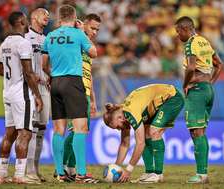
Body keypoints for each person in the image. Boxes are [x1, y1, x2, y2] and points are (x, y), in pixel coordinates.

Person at [42, 5, 98, 183]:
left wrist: (52, 76)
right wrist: (81, 30)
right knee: (81, 128)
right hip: (73, 82)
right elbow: (93, 53)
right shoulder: (78, 33)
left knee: (58, 130)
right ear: (74, 17)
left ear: (59, 18)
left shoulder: (50, 36)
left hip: (56, 82)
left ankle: (60, 173)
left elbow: (44, 64)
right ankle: (81, 173)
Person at [0, 11, 43, 184]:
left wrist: (13, 71)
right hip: (20, 93)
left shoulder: (5, 43)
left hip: (6, 91)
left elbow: (0, 70)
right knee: (25, 134)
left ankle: (1, 174)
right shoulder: (23, 43)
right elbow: (29, 73)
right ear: (22, 21)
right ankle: (19, 175)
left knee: (9, 134)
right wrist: (37, 96)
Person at [175, 16, 223, 184]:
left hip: (197, 90)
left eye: (178, 32)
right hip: (208, 90)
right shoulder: (204, 41)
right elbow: (220, 64)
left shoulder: (190, 44)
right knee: (200, 131)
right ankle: (203, 173)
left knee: (197, 132)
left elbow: (190, 67)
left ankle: (201, 175)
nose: (177, 36)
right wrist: (210, 83)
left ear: (185, 29)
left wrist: (185, 84)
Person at [103, 84, 184, 183]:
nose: (120, 130)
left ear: (119, 118)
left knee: (154, 132)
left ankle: (158, 174)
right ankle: (149, 173)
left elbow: (140, 144)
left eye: (118, 127)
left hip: (172, 97)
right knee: (146, 134)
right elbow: (124, 144)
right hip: (156, 103)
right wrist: (116, 167)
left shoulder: (130, 112)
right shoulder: (123, 113)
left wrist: (128, 170)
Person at [62, 13, 101, 181]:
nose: (95, 32)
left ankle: (70, 169)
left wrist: (93, 100)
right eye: (92, 28)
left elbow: (89, 74)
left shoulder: (88, 44)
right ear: (83, 24)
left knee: (81, 131)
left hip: (85, 91)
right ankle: (63, 168)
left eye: (97, 29)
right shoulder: (75, 39)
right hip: (74, 89)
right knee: (76, 131)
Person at [24, 8, 50, 183]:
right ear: (34, 17)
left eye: (48, 14)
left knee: (41, 130)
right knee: (31, 130)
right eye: (43, 13)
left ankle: (36, 169)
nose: (47, 16)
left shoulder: (48, 39)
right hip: (31, 87)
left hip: (45, 88)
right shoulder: (26, 38)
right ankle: (28, 170)